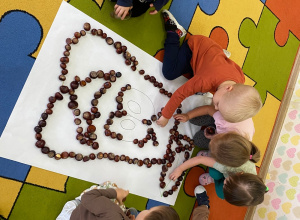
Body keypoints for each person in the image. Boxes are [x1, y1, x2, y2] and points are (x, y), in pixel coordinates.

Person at [156, 10, 262, 128]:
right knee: (169, 72)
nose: (215, 108)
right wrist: (166, 116)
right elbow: (179, 94)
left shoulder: (240, 79)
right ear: (228, 88)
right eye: (217, 104)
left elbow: (231, 66)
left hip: (213, 56)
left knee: (199, 88)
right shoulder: (204, 81)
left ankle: (221, 53)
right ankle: (174, 31)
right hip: (195, 47)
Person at [169, 132, 261, 200]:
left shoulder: (249, 184)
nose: (224, 184)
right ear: (239, 174)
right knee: (214, 173)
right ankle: (211, 156)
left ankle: (214, 176)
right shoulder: (227, 166)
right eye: (227, 183)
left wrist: (228, 186)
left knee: (221, 195)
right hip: (226, 166)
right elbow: (199, 159)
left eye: (225, 185)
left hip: (228, 170)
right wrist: (180, 169)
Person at [57, 181, 179, 220]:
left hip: (73, 216)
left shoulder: (112, 213)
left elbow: (88, 198)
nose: (146, 209)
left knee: (109, 185)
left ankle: (70, 208)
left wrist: (115, 192)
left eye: (149, 209)